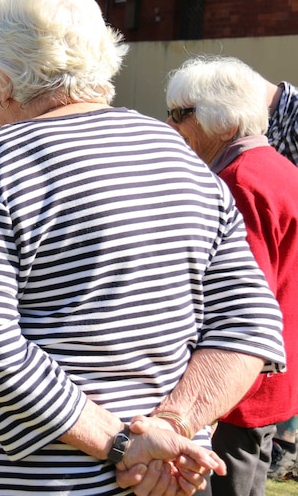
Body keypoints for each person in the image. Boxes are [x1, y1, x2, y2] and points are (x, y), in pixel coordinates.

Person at [0, 0, 286, 496]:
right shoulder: (182, 158)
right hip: (159, 479)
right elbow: (252, 323)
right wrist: (171, 426)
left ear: (1, 78)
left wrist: (123, 442)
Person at [164, 55, 298, 496]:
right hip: (270, 383)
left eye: (180, 113)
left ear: (221, 119)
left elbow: (240, 304)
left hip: (235, 391)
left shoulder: (239, 183)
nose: (170, 125)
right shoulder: (283, 171)